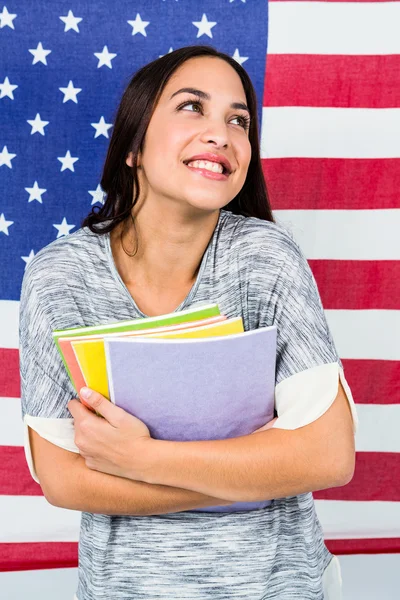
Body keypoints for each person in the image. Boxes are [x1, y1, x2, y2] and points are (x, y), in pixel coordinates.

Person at [20, 45, 358, 599]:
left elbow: (327, 455)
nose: (221, 134)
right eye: (191, 107)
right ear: (133, 145)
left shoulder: (264, 257)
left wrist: (140, 459)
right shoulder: (59, 276)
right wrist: (256, 472)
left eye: (238, 120)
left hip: (276, 587)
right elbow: (64, 478)